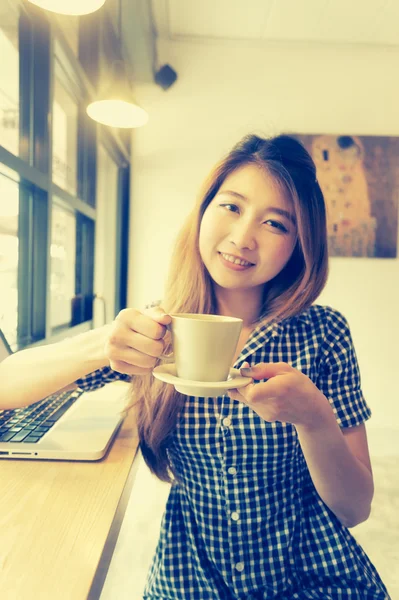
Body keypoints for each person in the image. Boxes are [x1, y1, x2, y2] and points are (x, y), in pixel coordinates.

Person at [0, 134, 390, 599]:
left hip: (311, 574)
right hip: (192, 577)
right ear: (203, 211)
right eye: (231, 207)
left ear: (299, 245)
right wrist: (104, 343)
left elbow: (353, 508)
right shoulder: (157, 329)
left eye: (276, 224)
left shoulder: (322, 334)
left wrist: (314, 419)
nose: (243, 237)